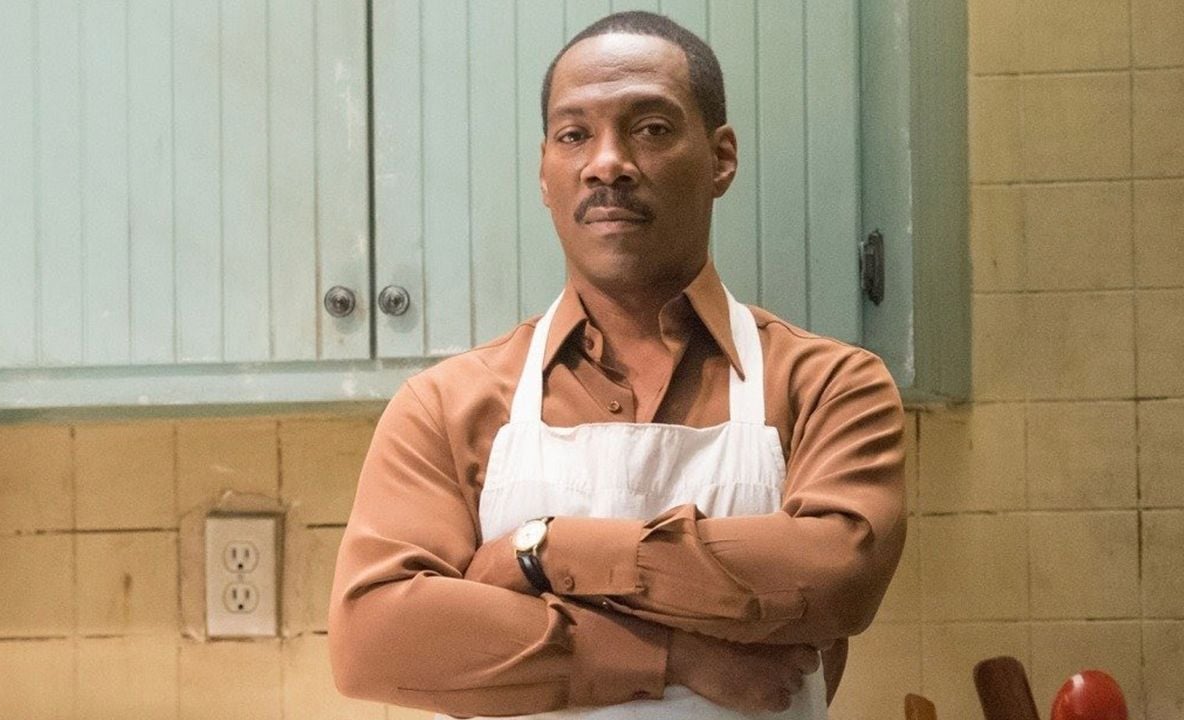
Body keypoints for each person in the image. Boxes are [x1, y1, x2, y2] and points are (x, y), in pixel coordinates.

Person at [329, 11, 905, 720]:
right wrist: (672, 658)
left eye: (651, 129)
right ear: (545, 173)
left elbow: (834, 578)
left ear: (721, 158)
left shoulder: (830, 387)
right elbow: (375, 638)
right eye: (574, 135)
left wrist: (546, 551)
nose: (607, 163)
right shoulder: (448, 405)